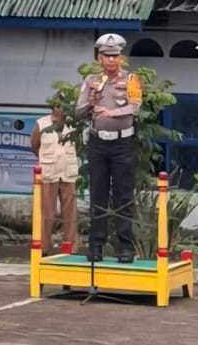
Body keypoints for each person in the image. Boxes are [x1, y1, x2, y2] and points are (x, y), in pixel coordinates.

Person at [75, 32, 142, 263]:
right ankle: (96, 246)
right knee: (98, 194)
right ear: (99, 58)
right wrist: (91, 102)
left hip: (123, 142)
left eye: (115, 56)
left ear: (121, 57)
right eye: (107, 56)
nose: (111, 60)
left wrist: (111, 112)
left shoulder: (131, 79)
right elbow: (79, 110)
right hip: (98, 143)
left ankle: (125, 247)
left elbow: (134, 108)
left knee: (123, 195)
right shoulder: (91, 81)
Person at [30, 94, 78, 254]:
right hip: (49, 172)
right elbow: (34, 145)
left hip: (68, 172)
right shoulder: (42, 123)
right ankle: (43, 247)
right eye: (58, 105)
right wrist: (45, 159)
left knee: (70, 213)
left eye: (64, 105)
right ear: (53, 107)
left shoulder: (73, 124)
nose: (61, 108)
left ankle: (71, 247)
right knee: (46, 213)